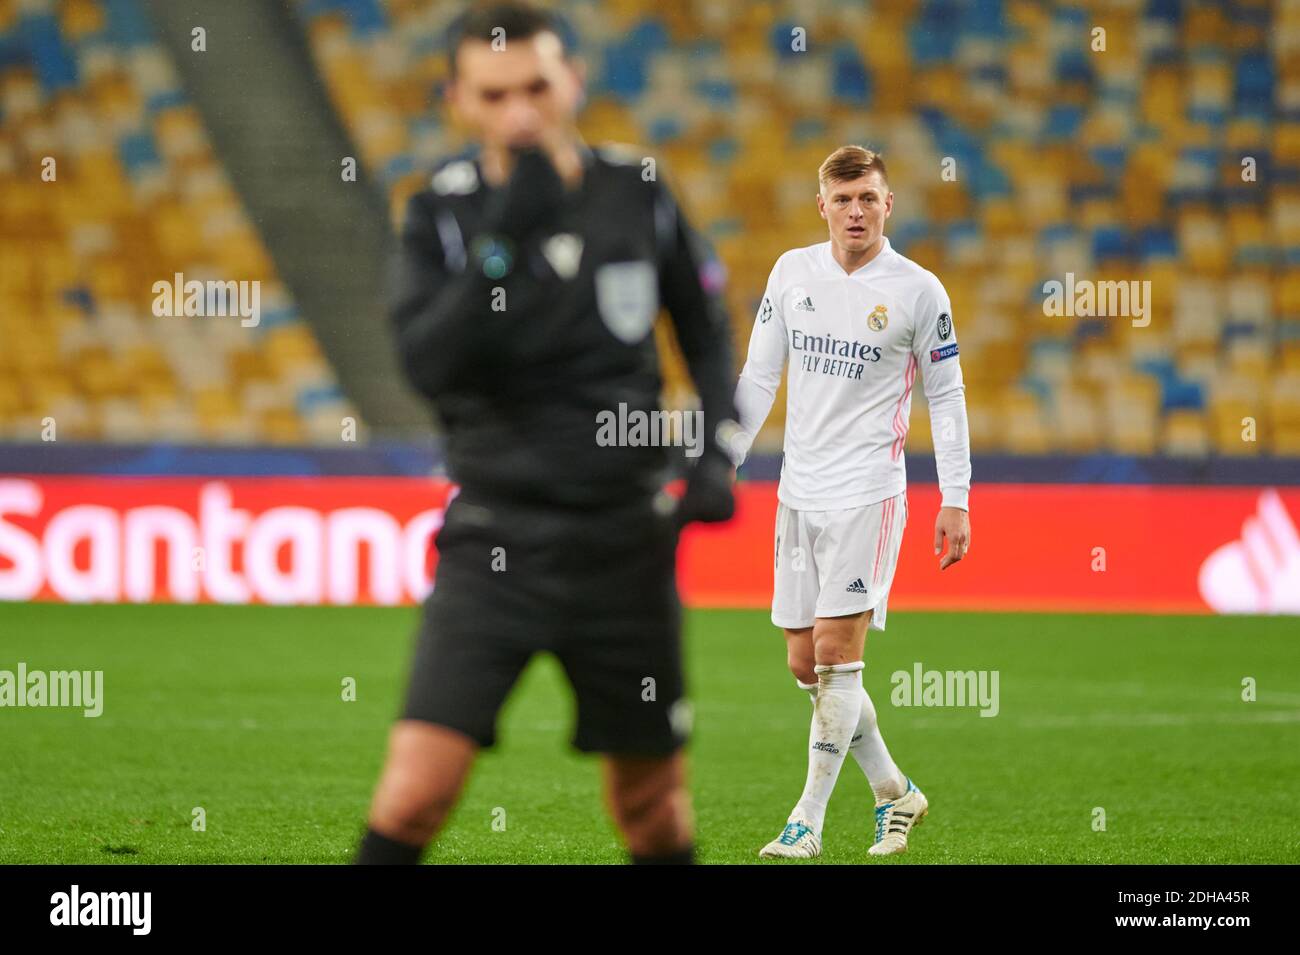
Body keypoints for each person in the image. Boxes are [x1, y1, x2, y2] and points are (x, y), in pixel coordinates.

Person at [353, 1, 737, 865]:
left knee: (650, 807)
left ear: (572, 82)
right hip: (496, 537)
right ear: (458, 100)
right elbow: (427, 364)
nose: (518, 111)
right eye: (493, 95)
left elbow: (706, 333)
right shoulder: (442, 215)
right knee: (415, 792)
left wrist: (715, 454)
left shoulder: (639, 190)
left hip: (626, 541)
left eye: (536, 86)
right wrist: (504, 238)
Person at [728, 145, 972, 858]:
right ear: (822, 206)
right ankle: (896, 792)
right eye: (843, 199)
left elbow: (947, 396)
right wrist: (723, 458)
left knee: (837, 654)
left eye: (868, 197)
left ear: (888, 204)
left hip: (869, 491)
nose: (856, 210)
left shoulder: (919, 290)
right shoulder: (791, 272)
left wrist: (955, 496)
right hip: (798, 492)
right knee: (805, 665)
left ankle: (806, 821)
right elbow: (758, 375)